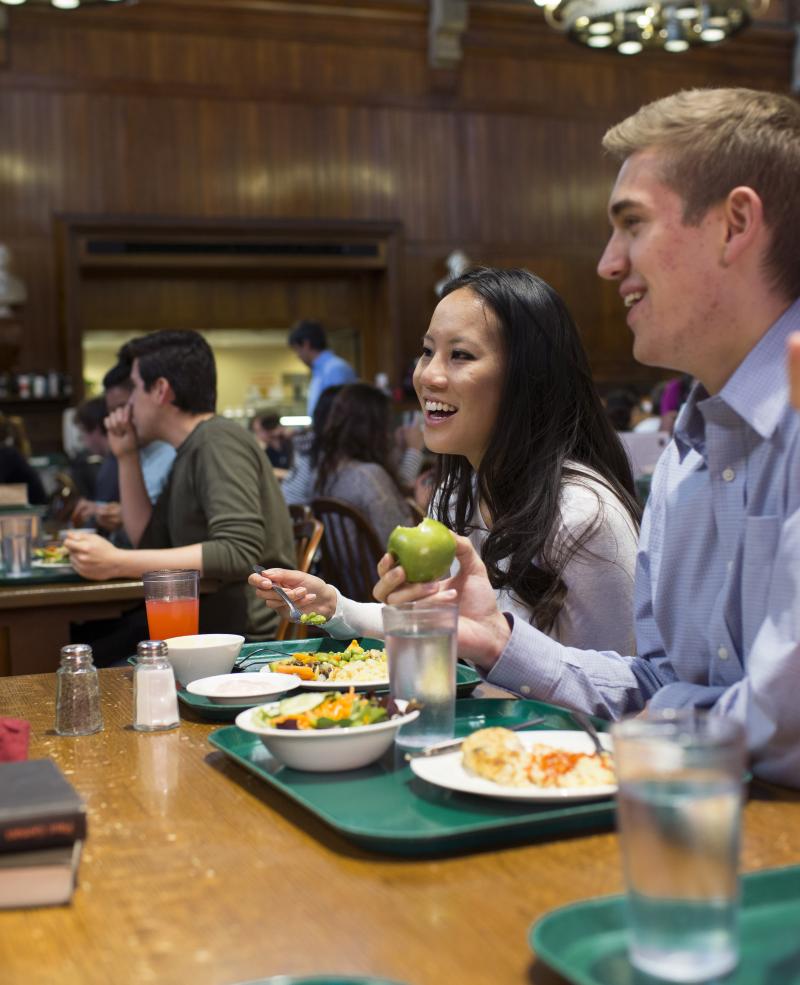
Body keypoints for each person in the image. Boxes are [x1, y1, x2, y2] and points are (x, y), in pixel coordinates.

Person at [374, 88, 800, 787]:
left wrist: (677, 708)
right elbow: (651, 681)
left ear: (736, 224)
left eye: (631, 225)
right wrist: (499, 639)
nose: (607, 263)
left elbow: (787, 729)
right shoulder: (687, 461)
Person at [252, 267, 641, 656]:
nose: (427, 376)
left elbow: (624, 687)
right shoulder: (455, 498)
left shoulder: (584, 514)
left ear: (529, 377)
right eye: (426, 351)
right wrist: (334, 606)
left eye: (460, 355)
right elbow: (442, 628)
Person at [65, 330, 295, 644]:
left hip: (244, 645)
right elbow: (148, 540)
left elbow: (238, 551)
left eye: (134, 388)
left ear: (160, 390)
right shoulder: (188, 449)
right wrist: (127, 456)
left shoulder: (217, 440)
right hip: (205, 632)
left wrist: (115, 562)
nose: (128, 404)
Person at [313, 382, 417, 545]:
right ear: (377, 429)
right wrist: (424, 507)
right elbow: (402, 541)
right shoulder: (369, 476)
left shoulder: (328, 470)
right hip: (381, 570)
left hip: (345, 570)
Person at [288, 319, 356, 415]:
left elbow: (338, 415)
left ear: (306, 344)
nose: (298, 356)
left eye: (297, 350)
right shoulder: (321, 370)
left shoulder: (335, 369)